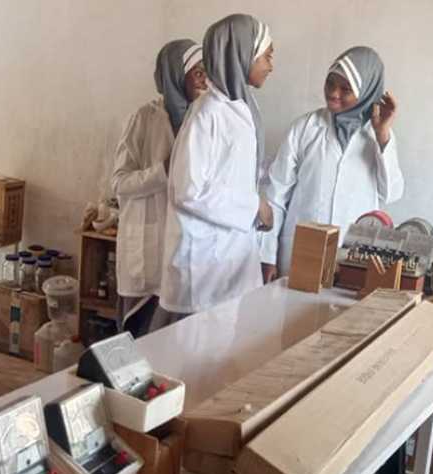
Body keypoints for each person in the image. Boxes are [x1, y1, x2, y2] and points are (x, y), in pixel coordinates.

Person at [156, 13, 274, 324]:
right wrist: (254, 206)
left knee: (227, 344)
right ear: (242, 54)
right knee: (195, 347)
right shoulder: (206, 113)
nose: (271, 66)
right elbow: (188, 190)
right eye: (266, 56)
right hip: (204, 262)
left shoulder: (242, 107)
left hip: (231, 257)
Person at [261, 47, 403, 276]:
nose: (333, 94)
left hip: (351, 260)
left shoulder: (378, 135)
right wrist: (267, 255)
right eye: (330, 84)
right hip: (299, 254)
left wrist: (382, 134)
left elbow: (392, 193)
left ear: (366, 91)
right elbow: (276, 195)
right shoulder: (306, 127)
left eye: (346, 89)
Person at [111, 38, 206, 337]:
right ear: (175, 76)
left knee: (174, 342)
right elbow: (119, 182)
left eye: (207, 72)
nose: (205, 81)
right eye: (197, 73)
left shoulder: (203, 119)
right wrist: (162, 172)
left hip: (184, 251)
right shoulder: (144, 119)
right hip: (147, 249)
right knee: (139, 339)